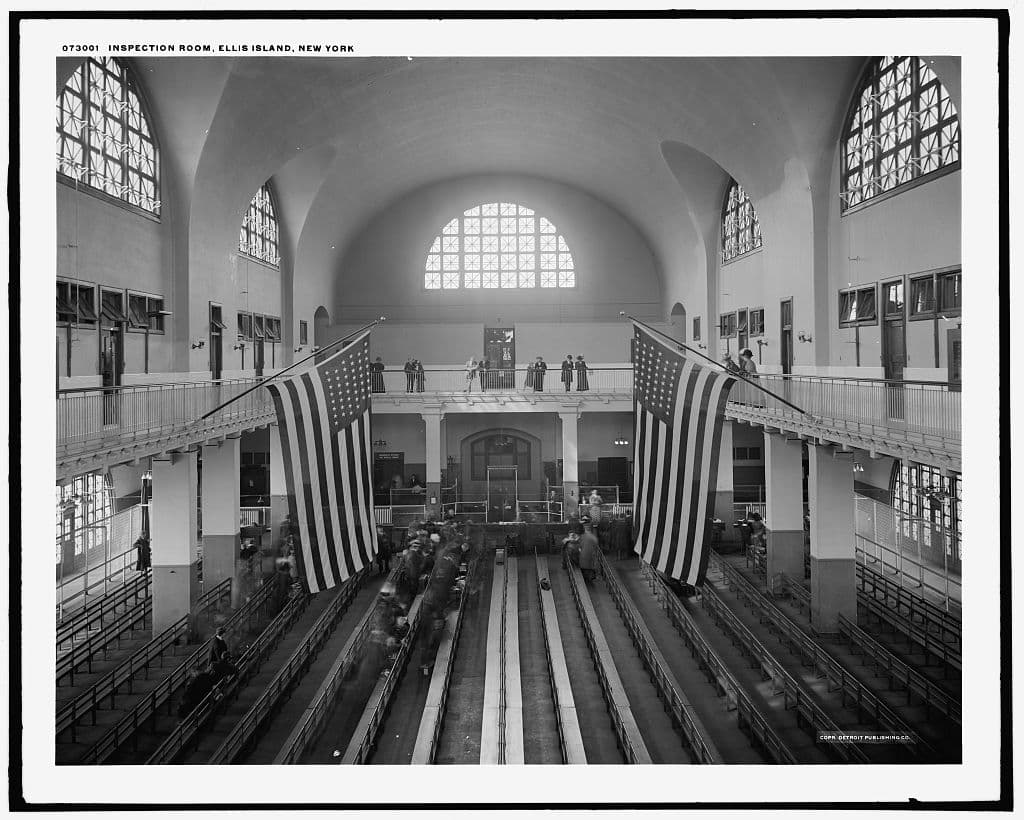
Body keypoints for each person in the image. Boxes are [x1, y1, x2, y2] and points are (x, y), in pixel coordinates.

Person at [578, 517, 599, 584]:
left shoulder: (582, 536)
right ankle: (590, 580)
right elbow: (596, 546)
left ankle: (586, 581)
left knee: (584, 570)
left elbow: (579, 546)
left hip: (583, 556)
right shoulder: (593, 537)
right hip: (591, 557)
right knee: (590, 569)